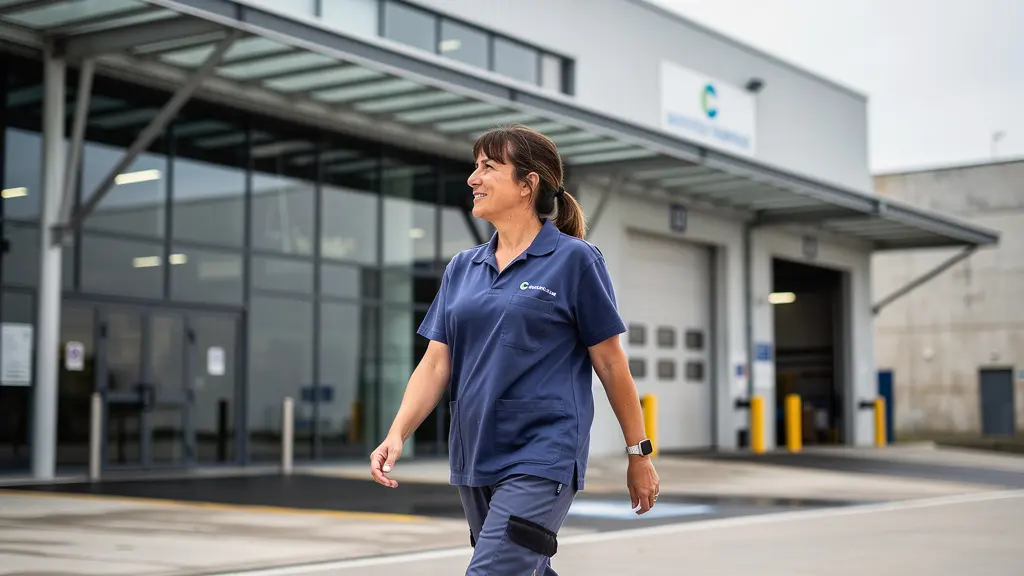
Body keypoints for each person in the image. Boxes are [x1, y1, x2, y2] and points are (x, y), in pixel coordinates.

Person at [369, 123, 660, 575]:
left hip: (543, 454)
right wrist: (396, 433)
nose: (473, 178)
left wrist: (638, 454)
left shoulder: (575, 260)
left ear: (528, 185)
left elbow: (609, 361)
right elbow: (435, 362)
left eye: (489, 167)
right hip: (475, 452)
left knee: (492, 572)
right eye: (475, 166)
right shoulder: (463, 268)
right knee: (527, 570)